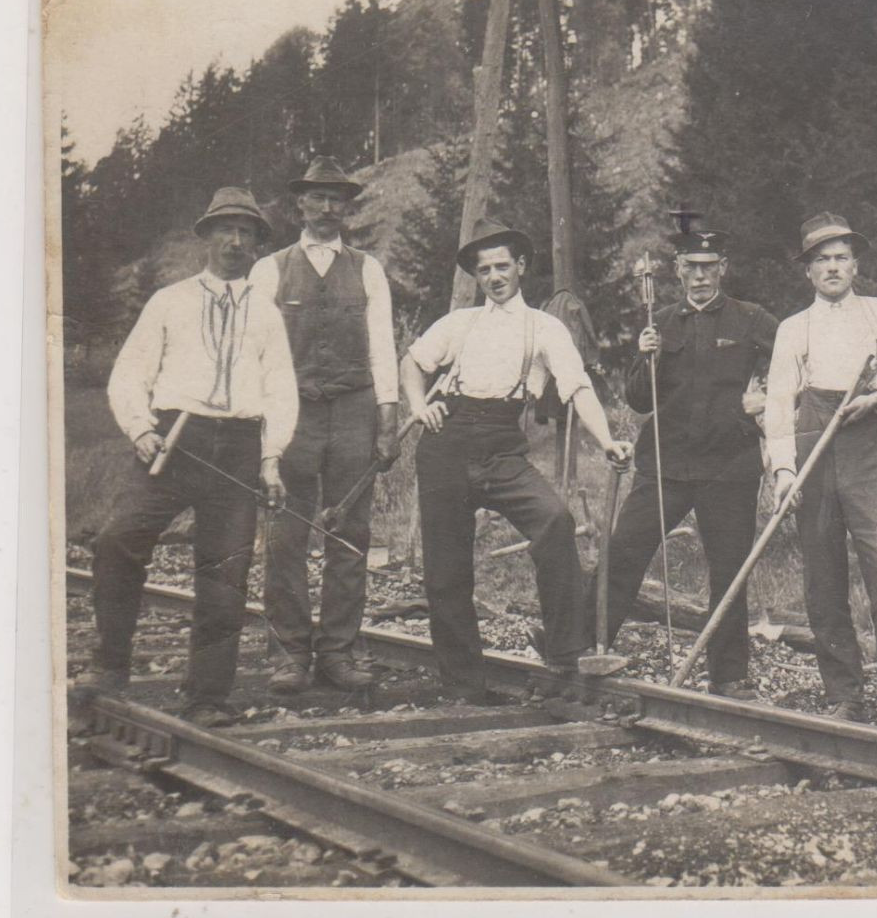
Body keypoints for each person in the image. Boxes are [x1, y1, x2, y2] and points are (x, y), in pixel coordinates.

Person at [83, 187, 297, 727]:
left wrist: (271, 458)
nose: (235, 240)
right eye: (225, 229)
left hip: (240, 449)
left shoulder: (267, 314)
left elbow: (280, 392)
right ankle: (109, 665)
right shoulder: (170, 302)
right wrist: (139, 429)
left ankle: (208, 696)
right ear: (206, 237)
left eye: (246, 232)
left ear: (257, 245)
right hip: (175, 442)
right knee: (117, 540)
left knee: (225, 576)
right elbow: (129, 375)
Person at [399, 219, 632, 700]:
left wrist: (607, 439)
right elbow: (413, 362)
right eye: (484, 269)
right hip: (447, 442)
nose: (494, 276)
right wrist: (419, 406)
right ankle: (461, 682)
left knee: (554, 520)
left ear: (521, 267)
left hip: (503, 445)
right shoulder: (459, 323)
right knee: (447, 568)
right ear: (477, 276)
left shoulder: (544, 328)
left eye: (502, 266)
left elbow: (577, 386)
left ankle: (566, 655)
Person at [764, 213, 877, 734]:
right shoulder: (794, 328)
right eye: (822, 259)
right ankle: (845, 695)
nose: (833, 267)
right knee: (823, 579)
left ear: (856, 264)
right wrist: (783, 471)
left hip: (869, 451)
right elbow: (777, 404)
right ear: (808, 271)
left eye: (841, 257)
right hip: (814, 448)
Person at [589, 222, 777, 696]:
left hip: (728, 468)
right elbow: (637, 399)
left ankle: (729, 675)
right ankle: (580, 647)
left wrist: (766, 398)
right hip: (664, 465)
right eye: (691, 267)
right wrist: (643, 355)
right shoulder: (661, 322)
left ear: (723, 270)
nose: (700, 276)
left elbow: (796, 363)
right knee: (625, 552)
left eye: (709, 267)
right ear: (677, 271)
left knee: (730, 570)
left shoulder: (751, 318)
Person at [249, 157, 399, 695]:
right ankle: (288, 652)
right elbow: (257, 352)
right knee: (286, 533)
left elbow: (384, 347)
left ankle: (338, 651)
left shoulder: (367, 269)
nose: (329, 207)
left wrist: (388, 417)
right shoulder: (270, 269)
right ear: (300, 205)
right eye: (318, 197)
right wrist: (265, 422)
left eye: (338, 198)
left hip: (355, 411)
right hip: (292, 415)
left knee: (350, 533)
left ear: (346, 207)